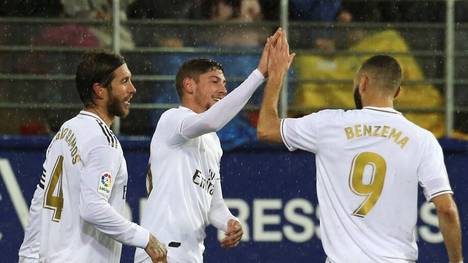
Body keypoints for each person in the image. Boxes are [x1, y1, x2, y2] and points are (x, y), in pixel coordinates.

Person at [257, 35, 463, 263]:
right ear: (397, 92)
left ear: (362, 83)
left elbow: (266, 129)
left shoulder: (329, 125)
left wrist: (276, 75)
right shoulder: (422, 139)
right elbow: (446, 209)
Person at [133, 29, 281, 263]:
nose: (223, 89)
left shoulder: (212, 140)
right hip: (162, 254)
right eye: (214, 82)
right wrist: (259, 73)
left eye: (224, 83)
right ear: (189, 85)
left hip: (191, 256)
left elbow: (214, 204)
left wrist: (229, 222)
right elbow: (213, 120)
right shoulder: (172, 120)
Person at [18, 51, 167, 263]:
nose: (133, 89)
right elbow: (92, 208)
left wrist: (27, 257)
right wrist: (146, 238)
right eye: (124, 82)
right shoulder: (103, 142)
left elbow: (40, 201)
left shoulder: (65, 131)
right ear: (99, 90)